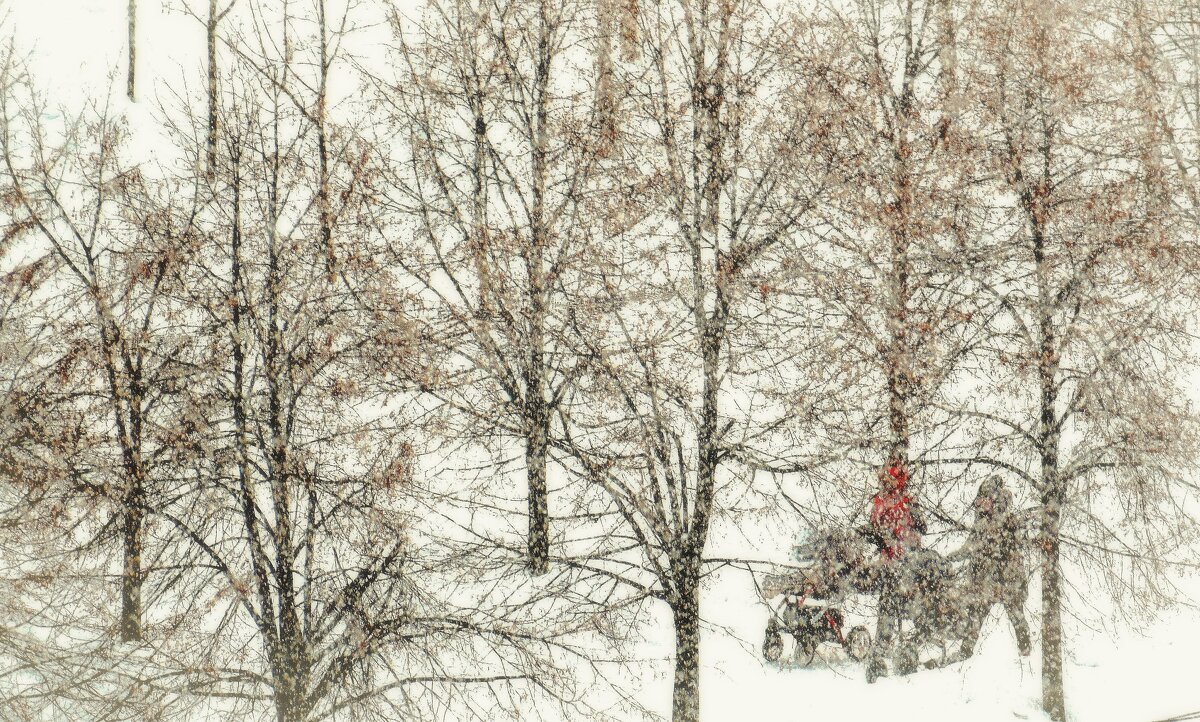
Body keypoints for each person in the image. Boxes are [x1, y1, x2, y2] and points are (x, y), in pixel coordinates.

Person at [954, 475, 1032, 660]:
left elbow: (974, 547)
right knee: (978, 615)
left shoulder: (1002, 522)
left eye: (983, 498)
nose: (979, 503)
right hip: (991, 581)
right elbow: (970, 547)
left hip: (1002, 580)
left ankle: (1025, 649)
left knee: (1012, 615)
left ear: (992, 499)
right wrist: (950, 559)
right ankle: (966, 650)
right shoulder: (985, 522)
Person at [865, 458, 927, 682]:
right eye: (884, 479)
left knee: (908, 605)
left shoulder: (908, 501)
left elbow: (921, 529)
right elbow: (873, 526)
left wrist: (907, 536)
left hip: (907, 561)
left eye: (890, 479)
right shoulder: (880, 501)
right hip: (888, 563)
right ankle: (881, 651)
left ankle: (905, 647)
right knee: (887, 606)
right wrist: (882, 538)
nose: (886, 483)